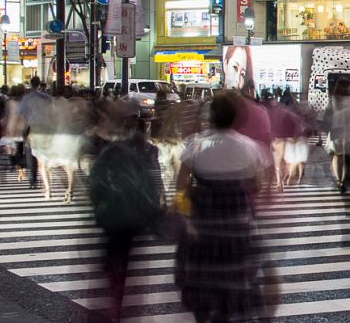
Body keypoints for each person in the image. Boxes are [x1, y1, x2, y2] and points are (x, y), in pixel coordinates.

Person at [174, 92, 273, 323]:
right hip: (236, 223)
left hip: (203, 223)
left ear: (211, 116)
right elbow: (256, 185)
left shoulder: (196, 144)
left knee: (202, 279)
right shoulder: (249, 147)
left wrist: (184, 209)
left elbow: (180, 184)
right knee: (238, 277)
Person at [89, 100, 164, 323]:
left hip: (113, 214)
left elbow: (96, 183)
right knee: (131, 264)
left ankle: (115, 308)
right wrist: (157, 204)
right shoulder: (147, 148)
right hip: (136, 215)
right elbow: (154, 179)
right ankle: (122, 309)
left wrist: (98, 205)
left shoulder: (107, 149)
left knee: (116, 263)